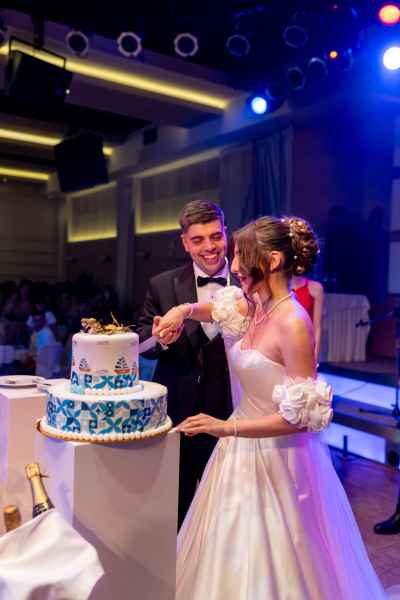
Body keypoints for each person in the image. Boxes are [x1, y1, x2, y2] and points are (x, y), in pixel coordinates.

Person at [154, 216, 397, 599]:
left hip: (281, 459)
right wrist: (181, 311)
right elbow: (212, 310)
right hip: (237, 454)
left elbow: (302, 420)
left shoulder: (293, 323)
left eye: (241, 256)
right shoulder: (253, 305)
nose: (233, 266)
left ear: (272, 261)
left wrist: (226, 428)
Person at [137, 199, 235, 528]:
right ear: (184, 242)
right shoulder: (163, 284)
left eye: (216, 236)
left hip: (233, 411)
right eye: (198, 240)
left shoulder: (248, 279)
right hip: (179, 411)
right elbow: (143, 344)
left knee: (226, 507)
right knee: (176, 504)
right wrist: (160, 339)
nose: (210, 247)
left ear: (226, 234)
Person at [291, 275, 324, 358]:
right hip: (282, 343)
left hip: (305, 343)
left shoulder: (315, 288)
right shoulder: (279, 288)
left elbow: (317, 326)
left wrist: (315, 357)